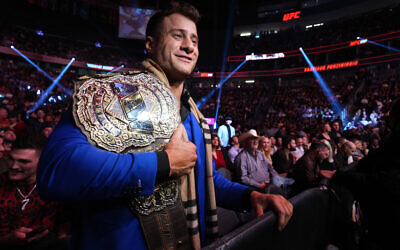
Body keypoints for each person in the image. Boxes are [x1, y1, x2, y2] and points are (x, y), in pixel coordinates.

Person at [37, 2, 293, 250]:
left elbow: (206, 179)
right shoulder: (111, 95)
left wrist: (249, 197)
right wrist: (163, 164)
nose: (188, 46)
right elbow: (57, 171)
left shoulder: (194, 115)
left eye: (194, 40)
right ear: (150, 44)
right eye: (177, 36)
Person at [330, 98, 400, 249]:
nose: (387, 115)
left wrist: (341, 177)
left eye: (392, 113)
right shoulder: (391, 141)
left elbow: (386, 183)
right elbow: (368, 164)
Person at [0, 134, 69, 250]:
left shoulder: (55, 188)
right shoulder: (1, 183)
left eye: (23, 161)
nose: (13, 166)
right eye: (11, 159)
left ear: (42, 161)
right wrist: (8, 240)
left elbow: (64, 234)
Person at [234, 130, 283, 195]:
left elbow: (270, 168)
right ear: (246, 142)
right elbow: (243, 178)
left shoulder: (260, 154)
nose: (255, 141)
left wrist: (277, 178)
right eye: (252, 139)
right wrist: (259, 185)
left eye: (256, 139)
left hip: (268, 184)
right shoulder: (241, 157)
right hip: (255, 190)